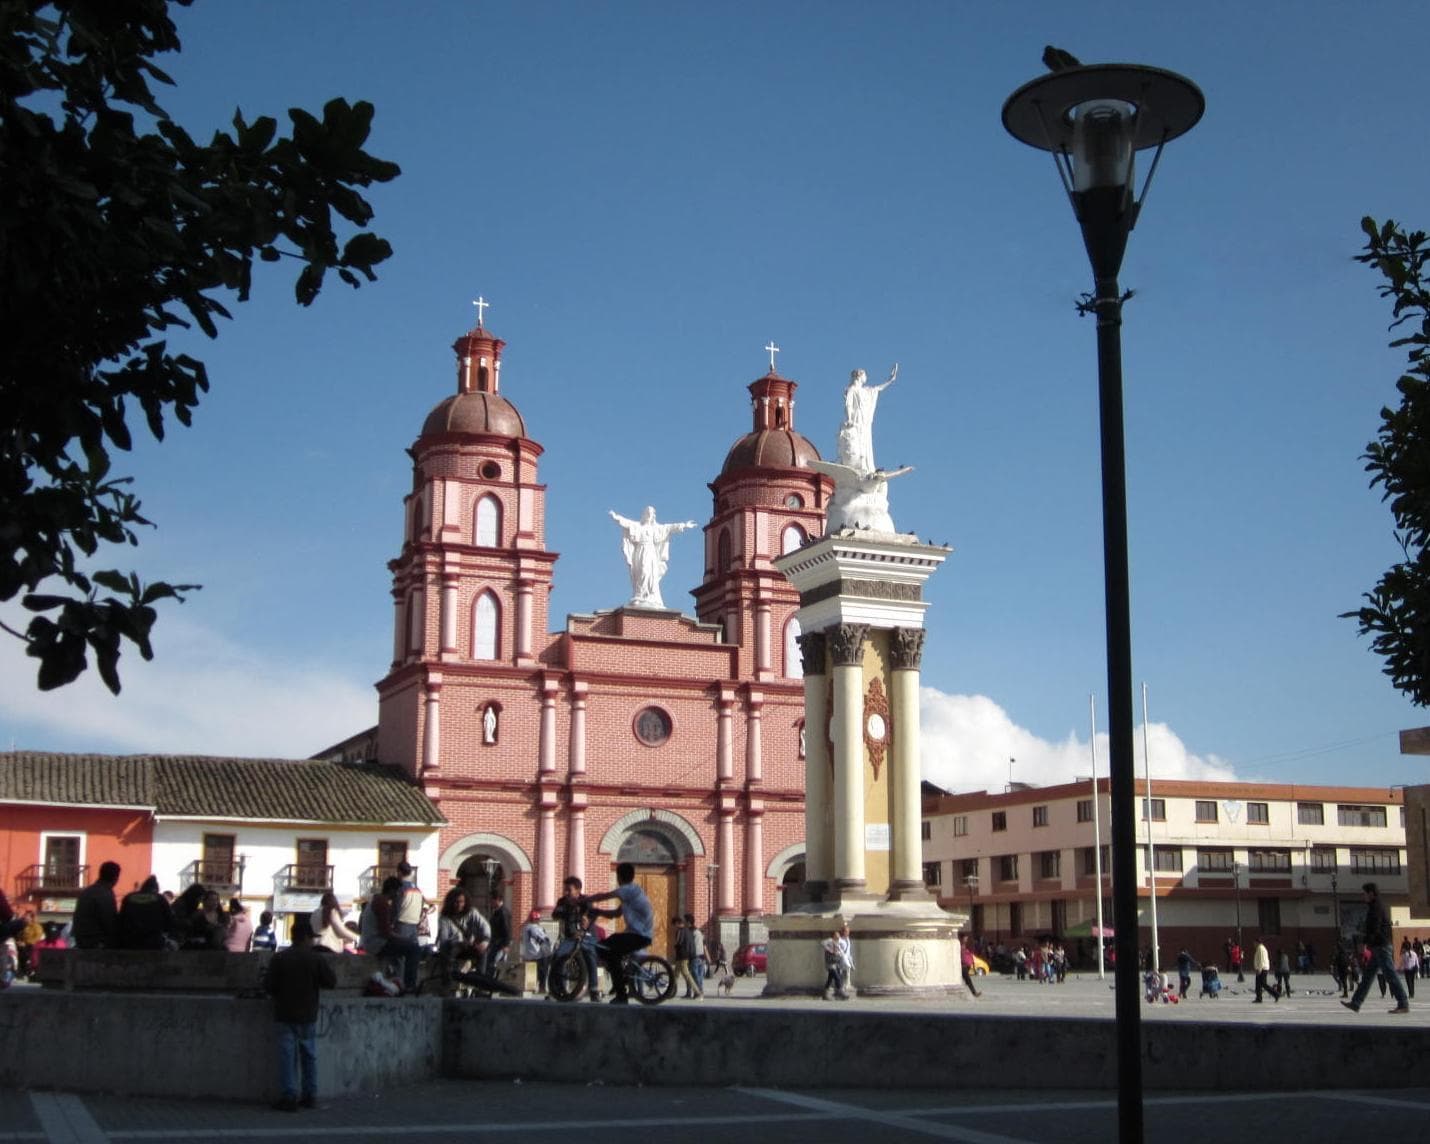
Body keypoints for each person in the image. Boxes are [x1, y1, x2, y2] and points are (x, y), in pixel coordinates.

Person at [266, 915, 336, 1112]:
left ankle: (288, 1096)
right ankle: (309, 1095)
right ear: (305, 937)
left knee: (287, 1057)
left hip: (285, 1013)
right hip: (308, 1014)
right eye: (311, 937)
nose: (314, 940)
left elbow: (269, 985)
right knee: (308, 1056)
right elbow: (331, 982)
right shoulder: (316, 959)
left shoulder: (280, 958)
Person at [584, 862, 654, 1004]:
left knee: (607, 950)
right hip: (639, 935)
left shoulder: (626, 890)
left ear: (619, 877)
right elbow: (615, 914)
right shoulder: (632, 893)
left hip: (639, 936)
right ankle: (622, 976)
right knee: (608, 948)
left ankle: (621, 994)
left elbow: (603, 896)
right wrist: (599, 911)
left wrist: (584, 899)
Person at [608, 507, 698, 609]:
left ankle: (650, 595)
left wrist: (684, 525)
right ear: (644, 514)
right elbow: (626, 523)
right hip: (641, 551)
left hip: (651, 552)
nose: (649, 515)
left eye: (651, 514)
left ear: (653, 516)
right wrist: (616, 517)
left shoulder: (656, 528)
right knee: (642, 571)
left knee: (651, 574)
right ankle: (639, 595)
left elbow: (670, 528)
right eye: (647, 513)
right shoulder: (638, 526)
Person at [1343, 882, 1410, 1014]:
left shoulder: (1376, 908)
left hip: (1382, 946)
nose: (1363, 896)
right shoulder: (1374, 906)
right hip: (1378, 946)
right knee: (1368, 976)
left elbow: (1375, 928)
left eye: (1364, 893)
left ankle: (1403, 1003)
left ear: (1371, 894)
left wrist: (1365, 942)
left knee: (1390, 975)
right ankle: (1356, 1003)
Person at [359, 876, 421, 992]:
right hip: (376, 944)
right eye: (397, 891)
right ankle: (410, 985)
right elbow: (385, 933)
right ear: (392, 890)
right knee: (414, 948)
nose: (398, 894)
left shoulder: (376, 900)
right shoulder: (382, 903)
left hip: (370, 942)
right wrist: (402, 938)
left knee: (405, 948)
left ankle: (399, 980)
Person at [836, 364, 898, 473]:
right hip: (856, 419)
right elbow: (848, 405)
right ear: (860, 376)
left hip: (864, 421)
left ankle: (865, 464)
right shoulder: (852, 389)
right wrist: (849, 419)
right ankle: (858, 464)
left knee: (865, 441)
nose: (866, 378)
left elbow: (877, 388)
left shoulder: (865, 390)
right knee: (857, 441)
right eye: (865, 375)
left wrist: (890, 380)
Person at [551, 876, 600, 1001]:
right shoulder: (562, 901)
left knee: (591, 958)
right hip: (570, 937)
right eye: (565, 890)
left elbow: (593, 913)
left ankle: (594, 990)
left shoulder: (586, 900)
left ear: (578, 890)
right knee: (558, 957)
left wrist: (587, 920)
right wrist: (566, 909)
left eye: (569, 890)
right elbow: (555, 914)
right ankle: (558, 987)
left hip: (586, 935)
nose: (566, 893)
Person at [435, 886, 491, 969]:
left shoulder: (472, 913)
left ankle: (480, 979)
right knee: (446, 957)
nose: (459, 905)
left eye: (461, 902)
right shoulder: (445, 918)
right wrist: (456, 943)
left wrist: (485, 941)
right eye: (456, 902)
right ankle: (448, 980)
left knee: (483, 952)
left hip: (468, 946)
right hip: (453, 947)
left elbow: (485, 926)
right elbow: (444, 939)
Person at [70, 860, 121, 949]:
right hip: (97, 944)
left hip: (82, 943)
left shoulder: (87, 892)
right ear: (115, 878)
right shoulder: (104, 893)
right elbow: (109, 921)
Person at [117, 875, 175, 950]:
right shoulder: (160, 899)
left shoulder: (129, 897)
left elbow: (121, 919)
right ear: (156, 889)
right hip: (153, 942)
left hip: (129, 941)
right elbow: (169, 921)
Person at [519, 909, 552, 993]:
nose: (537, 920)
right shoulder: (532, 928)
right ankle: (541, 987)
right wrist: (546, 946)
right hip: (538, 953)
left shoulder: (526, 927)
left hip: (530, 953)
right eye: (536, 919)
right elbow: (539, 938)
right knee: (542, 971)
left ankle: (531, 987)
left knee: (532, 971)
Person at [485, 889, 511, 976]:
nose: (490, 902)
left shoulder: (503, 913)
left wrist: (506, 945)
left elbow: (506, 929)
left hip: (500, 944)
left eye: (491, 900)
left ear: (497, 900)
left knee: (494, 964)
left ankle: (492, 983)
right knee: (491, 963)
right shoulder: (497, 912)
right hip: (496, 942)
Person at [1251, 939, 1279, 1003]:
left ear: (1257, 942)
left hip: (1262, 969)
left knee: (1263, 984)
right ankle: (1259, 998)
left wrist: (1259, 969)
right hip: (1263, 968)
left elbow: (1261, 959)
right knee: (1259, 984)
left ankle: (1276, 994)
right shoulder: (1261, 948)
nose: (1254, 945)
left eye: (1254, 943)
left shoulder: (1260, 948)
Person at [686, 913, 706, 998]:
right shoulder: (698, 931)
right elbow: (704, 945)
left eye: (685, 921)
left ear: (688, 922)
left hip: (694, 956)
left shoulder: (690, 932)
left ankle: (698, 992)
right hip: (701, 956)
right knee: (699, 976)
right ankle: (698, 991)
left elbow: (690, 945)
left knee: (694, 976)